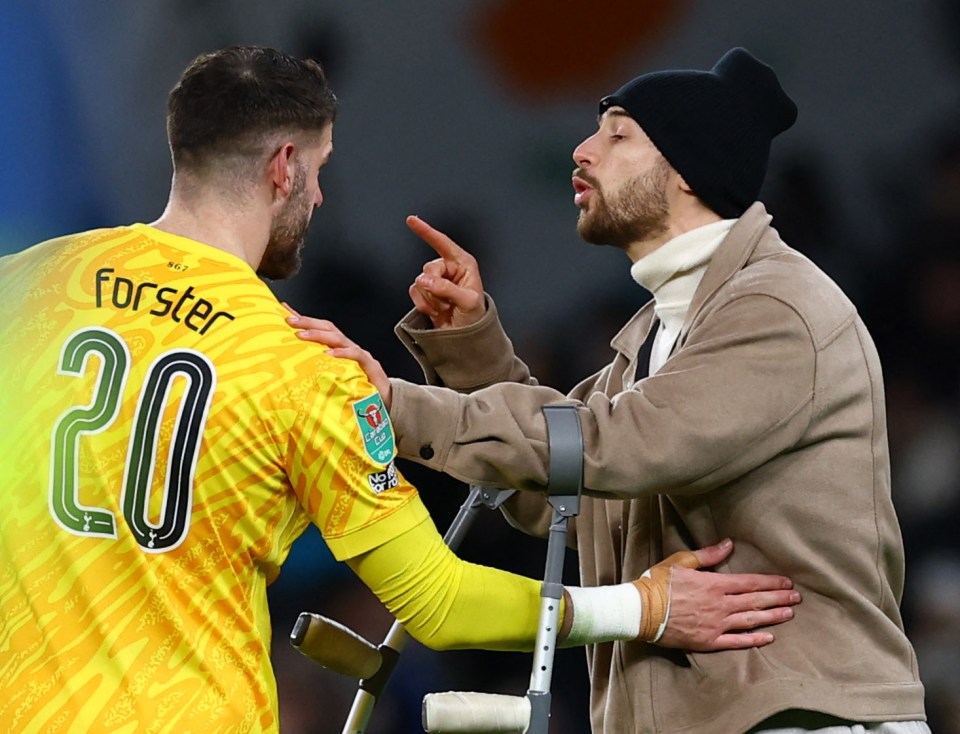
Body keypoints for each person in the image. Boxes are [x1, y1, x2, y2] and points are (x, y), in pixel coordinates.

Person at [0, 45, 803, 734]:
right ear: (285, 167)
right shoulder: (303, 360)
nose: (318, 198)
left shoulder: (23, 287)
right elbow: (437, 601)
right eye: (319, 172)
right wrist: (638, 608)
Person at [292, 48, 930, 733]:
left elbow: (609, 447)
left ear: (687, 171)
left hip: (804, 717)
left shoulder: (778, 307)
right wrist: (472, 348)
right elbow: (563, 498)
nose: (584, 150)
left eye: (618, 134)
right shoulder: (656, 338)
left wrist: (391, 404)